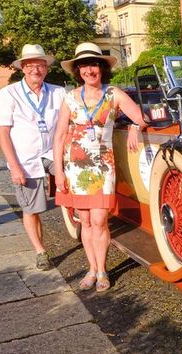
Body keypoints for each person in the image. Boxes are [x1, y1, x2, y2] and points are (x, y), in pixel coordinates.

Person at [53, 42, 145, 292]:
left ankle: (103, 269)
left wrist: (136, 127)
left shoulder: (114, 94)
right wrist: (59, 171)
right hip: (76, 167)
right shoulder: (70, 98)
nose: (89, 70)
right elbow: (60, 136)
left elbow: (141, 117)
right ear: (78, 70)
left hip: (103, 166)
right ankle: (91, 269)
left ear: (102, 67)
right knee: (85, 220)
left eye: (93, 64)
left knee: (100, 220)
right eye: (83, 65)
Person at [0, 44, 66, 270]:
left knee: (74, 185)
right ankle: (40, 250)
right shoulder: (8, 94)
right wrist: (14, 168)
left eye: (41, 64)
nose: (36, 69)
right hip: (24, 158)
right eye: (31, 65)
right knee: (32, 208)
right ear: (23, 68)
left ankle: (80, 222)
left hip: (52, 152)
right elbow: (2, 133)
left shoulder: (58, 92)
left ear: (47, 68)